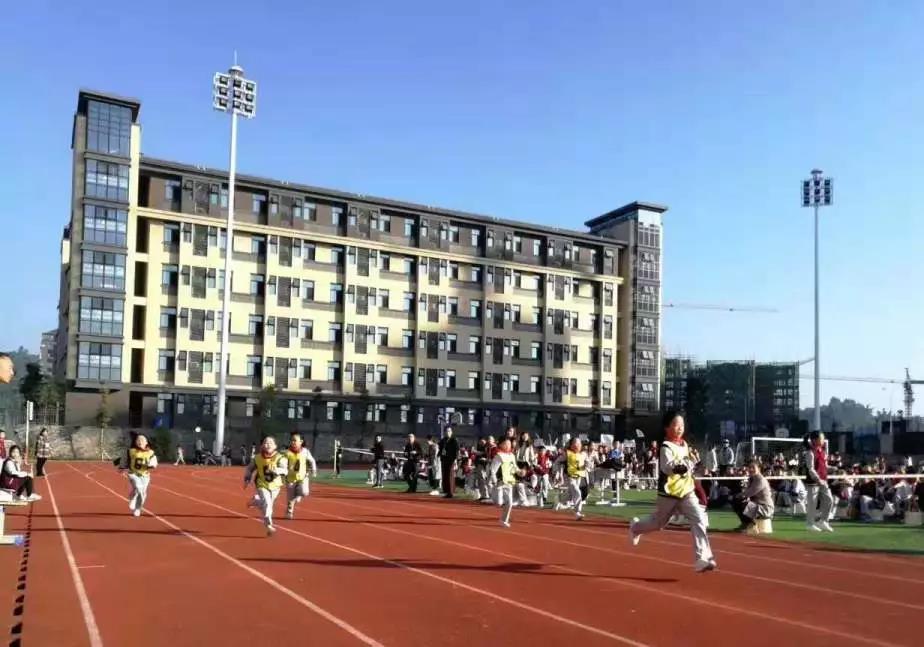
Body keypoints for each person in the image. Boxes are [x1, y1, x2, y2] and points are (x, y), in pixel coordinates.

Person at [629, 411, 717, 573]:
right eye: (676, 425)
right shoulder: (665, 447)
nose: (680, 428)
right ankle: (636, 528)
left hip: (686, 491)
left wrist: (696, 463)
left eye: (682, 425)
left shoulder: (684, 444)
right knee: (658, 524)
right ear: (667, 427)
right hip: (669, 493)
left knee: (699, 519)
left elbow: (689, 467)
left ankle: (702, 558)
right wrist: (689, 462)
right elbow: (669, 468)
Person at [243, 435, 288, 536]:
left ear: (275, 446)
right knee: (267, 504)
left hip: (275, 486)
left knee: (266, 504)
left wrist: (277, 470)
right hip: (262, 484)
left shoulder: (280, 457)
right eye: (265, 443)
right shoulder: (257, 458)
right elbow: (249, 469)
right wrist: (247, 479)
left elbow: (285, 471)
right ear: (262, 445)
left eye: (270, 443)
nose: (268, 445)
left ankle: (255, 501)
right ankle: (268, 525)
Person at [118, 434, 157, 517]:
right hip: (133, 474)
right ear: (135, 442)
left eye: (142, 440)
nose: (140, 442)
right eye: (138, 440)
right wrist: (121, 467)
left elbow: (154, 461)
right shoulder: (131, 451)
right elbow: (124, 459)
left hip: (145, 475)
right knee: (138, 487)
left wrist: (152, 464)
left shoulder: (150, 452)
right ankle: (133, 498)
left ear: (146, 442)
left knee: (142, 493)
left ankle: (138, 508)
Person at [802, 431, 834, 532]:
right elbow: (810, 469)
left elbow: (824, 465)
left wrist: (833, 468)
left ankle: (823, 521)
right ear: (814, 440)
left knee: (829, 500)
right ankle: (810, 524)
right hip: (813, 481)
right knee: (812, 504)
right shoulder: (810, 452)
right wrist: (818, 479)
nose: (823, 440)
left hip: (823, 480)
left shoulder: (823, 451)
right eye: (821, 438)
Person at [732, 460, 774, 532]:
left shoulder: (761, 480)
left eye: (753, 467)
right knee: (736, 501)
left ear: (759, 468)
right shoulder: (752, 479)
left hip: (765, 508)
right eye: (749, 467)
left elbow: (749, 493)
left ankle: (750, 524)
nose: (751, 469)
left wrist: (737, 495)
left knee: (740, 501)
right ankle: (745, 523)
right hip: (756, 505)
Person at [284, 433, 317, 519]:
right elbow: (282, 463)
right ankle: (289, 511)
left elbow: (312, 461)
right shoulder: (287, 452)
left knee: (305, 492)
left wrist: (313, 470)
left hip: (303, 477)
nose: (293, 442)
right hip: (290, 478)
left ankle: (298, 497)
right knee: (290, 497)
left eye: (295, 440)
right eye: (292, 440)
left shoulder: (305, 451)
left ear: (301, 442)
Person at [490, 438, 519, 527]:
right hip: (499, 482)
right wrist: (494, 481)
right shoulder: (499, 456)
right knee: (499, 503)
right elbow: (493, 470)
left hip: (508, 481)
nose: (508, 446)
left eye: (509, 444)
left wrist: (520, 472)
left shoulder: (512, 456)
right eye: (506, 444)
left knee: (509, 502)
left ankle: (504, 520)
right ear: (501, 445)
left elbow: (514, 468)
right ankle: (492, 494)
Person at [557, 437, 587, 520]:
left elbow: (587, 464)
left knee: (570, 495)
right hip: (570, 477)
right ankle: (577, 512)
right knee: (577, 492)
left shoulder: (583, 454)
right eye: (575, 443)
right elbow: (558, 463)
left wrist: (587, 465)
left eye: (579, 443)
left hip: (579, 477)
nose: (577, 445)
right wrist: (559, 474)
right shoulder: (567, 453)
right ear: (571, 445)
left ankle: (560, 499)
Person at [439, 426, 460, 499]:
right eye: (446, 431)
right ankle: (447, 491)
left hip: (451, 460)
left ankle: (451, 492)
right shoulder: (443, 440)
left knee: (450, 475)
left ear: (451, 432)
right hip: (444, 459)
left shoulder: (454, 440)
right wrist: (440, 454)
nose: (448, 432)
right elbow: (440, 448)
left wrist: (456, 460)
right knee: (445, 475)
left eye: (449, 431)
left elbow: (457, 451)